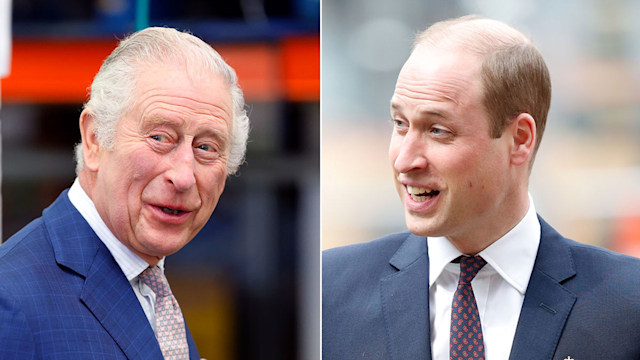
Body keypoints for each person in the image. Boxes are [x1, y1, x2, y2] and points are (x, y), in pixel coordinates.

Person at [322, 15, 640, 360]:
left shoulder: (628, 303)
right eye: (400, 124)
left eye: (437, 130)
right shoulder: (328, 290)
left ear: (519, 139)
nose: (404, 160)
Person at [0, 27, 249, 359]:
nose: (184, 176)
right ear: (94, 139)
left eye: (206, 147)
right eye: (160, 138)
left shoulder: (151, 287)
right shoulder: (12, 301)